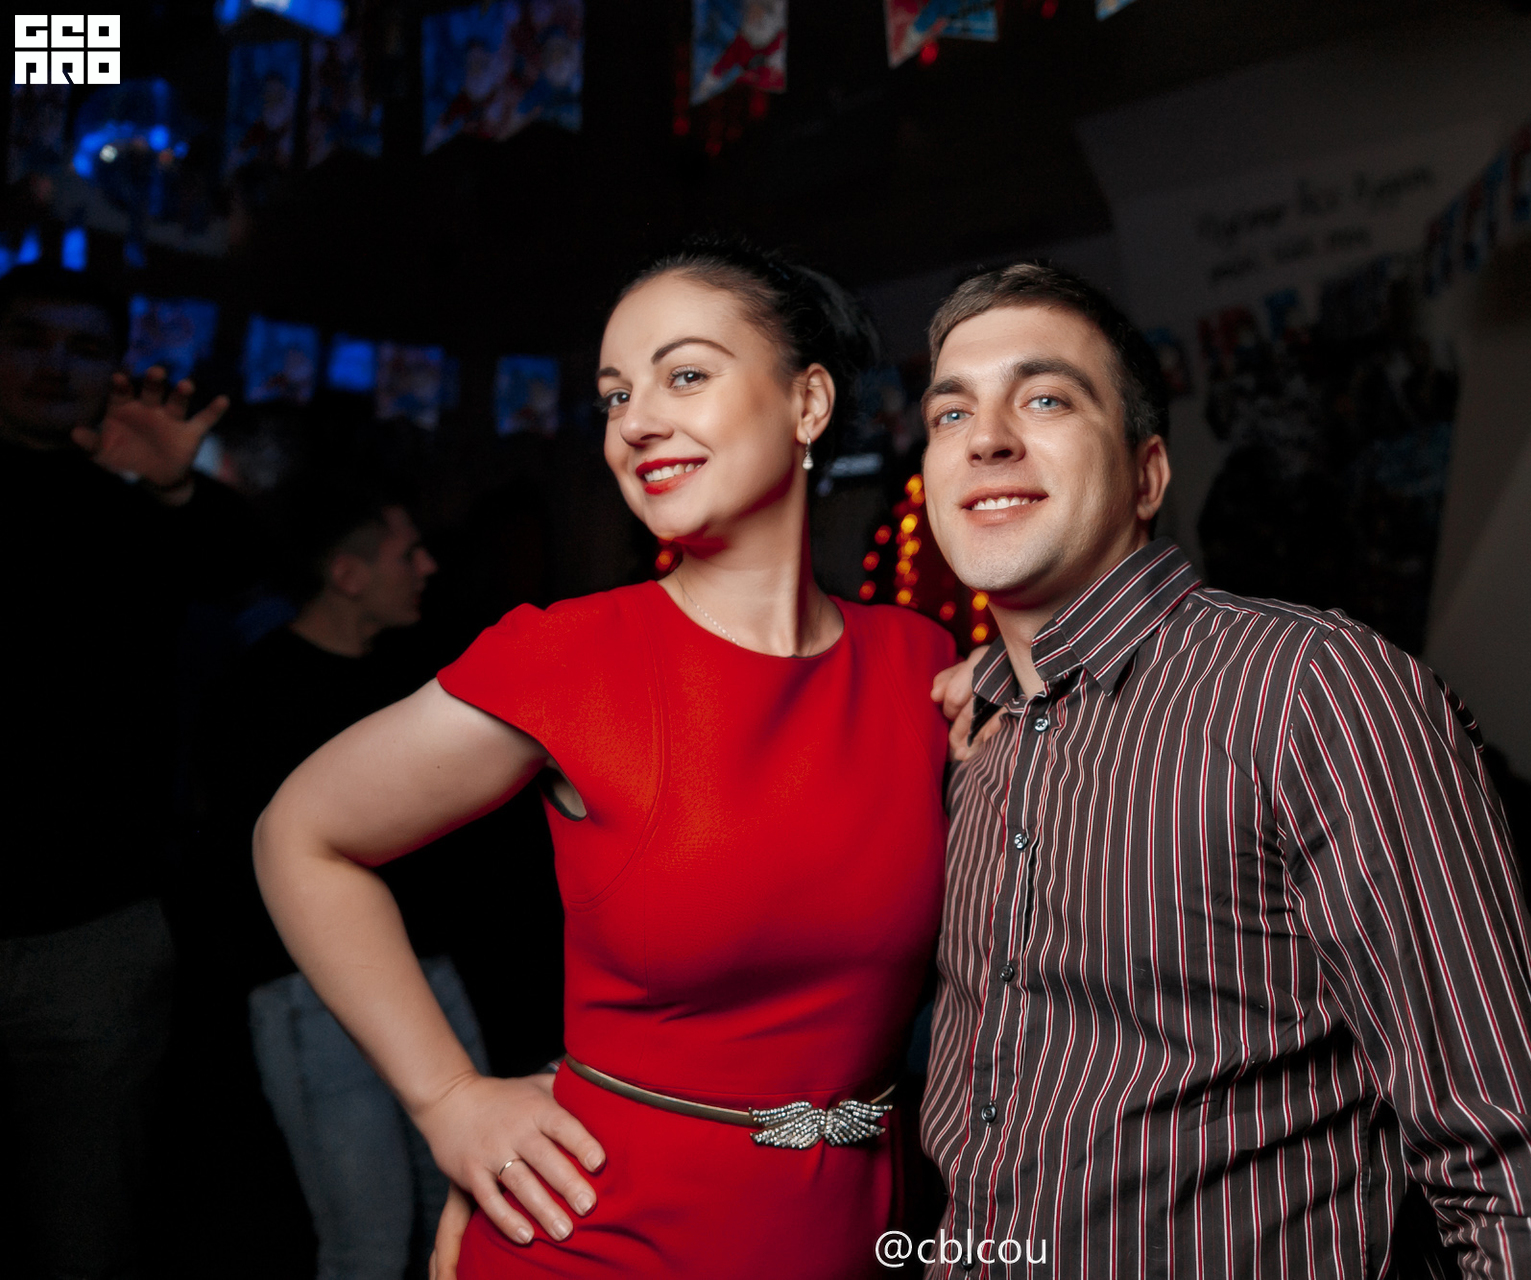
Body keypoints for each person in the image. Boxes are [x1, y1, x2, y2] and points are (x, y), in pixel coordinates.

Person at [913, 263, 1531, 1277]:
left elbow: (1517, 1173)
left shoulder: (1308, 688)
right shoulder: (978, 747)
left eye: (1045, 399)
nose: (985, 438)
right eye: (950, 413)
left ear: (1149, 476)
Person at [254, 238, 957, 1280]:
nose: (635, 421)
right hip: (603, 1234)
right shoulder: (570, 659)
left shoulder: (919, 660)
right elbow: (300, 835)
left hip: (857, 1232)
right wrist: (448, 1099)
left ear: (807, 402)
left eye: (685, 375)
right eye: (616, 396)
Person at [0, 262, 249, 1279]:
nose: (53, 365)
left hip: (92, 931)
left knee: (86, 1223)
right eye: (29, 339)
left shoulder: (137, 501)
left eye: (84, 348)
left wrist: (176, 486)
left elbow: (248, 578)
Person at [197, 484, 491, 1280]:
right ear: (348, 575)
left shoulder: (413, 672)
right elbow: (238, 870)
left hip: (430, 971)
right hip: (312, 994)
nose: (428, 567)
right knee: (369, 1245)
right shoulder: (259, 692)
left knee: (460, 1225)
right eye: (407, 554)